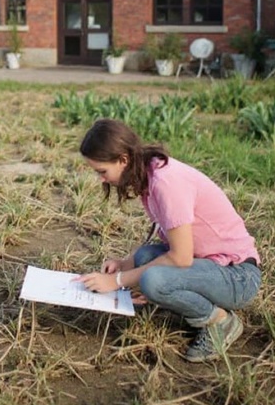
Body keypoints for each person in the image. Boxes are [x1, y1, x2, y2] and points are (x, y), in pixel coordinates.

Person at [75, 118, 261, 362]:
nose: (101, 179)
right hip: (212, 265)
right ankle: (182, 299)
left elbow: (180, 257)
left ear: (123, 160)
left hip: (238, 277)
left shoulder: (166, 183)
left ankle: (220, 322)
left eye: (102, 171)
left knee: (153, 280)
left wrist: (115, 280)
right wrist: (124, 263)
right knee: (142, 259)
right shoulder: (150, 173)